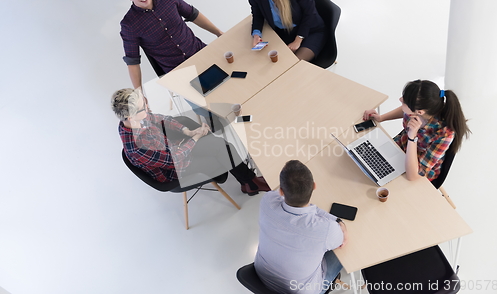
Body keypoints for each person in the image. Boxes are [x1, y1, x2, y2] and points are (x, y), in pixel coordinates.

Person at [111, 88, 270, 195]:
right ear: (130, 117)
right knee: (221, 152)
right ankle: (249, 181)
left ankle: (249, 181)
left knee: (222, 146)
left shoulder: (138, 118)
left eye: (145, 103)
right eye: (143, 108)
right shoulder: (138, 148)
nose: (148, 109)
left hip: (174, 149)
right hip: (176, 171)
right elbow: (173, 160)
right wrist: (195, 138)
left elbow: (163, 119)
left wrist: (187, 131)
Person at [118, 0, 223, 89]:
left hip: (200, 53)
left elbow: (192, 14)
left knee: (235, 83)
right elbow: (133, 62)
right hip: (179, 75)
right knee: (211, 105)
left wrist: (218, 33)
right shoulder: (129, 25)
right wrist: (139, 94)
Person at [254, 160, 347, 294]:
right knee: (346, 250)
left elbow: (310, 209)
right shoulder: (327, 229)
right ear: (314, 186)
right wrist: (338, 221)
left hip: (262, 277)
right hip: (303, 290)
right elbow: (341, 239)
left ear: (280, 191)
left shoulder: (267, 201)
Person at [363, 79, 471, 183]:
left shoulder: (444, 134)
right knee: (366, 161)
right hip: (401, 147)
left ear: (419, 112)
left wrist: (412, 137)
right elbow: (404, 110)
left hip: (416, 168)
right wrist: (381, 118)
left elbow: (413, 176)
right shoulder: (418, 110)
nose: (400, 99)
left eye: (405, 102)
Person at [248, 0, 325, 62]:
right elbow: (257, 14)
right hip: (283, 33)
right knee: (268, 62)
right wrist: (256, 34)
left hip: (310, 30)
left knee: (293, 64)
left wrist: (298, 40)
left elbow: (310, 12)